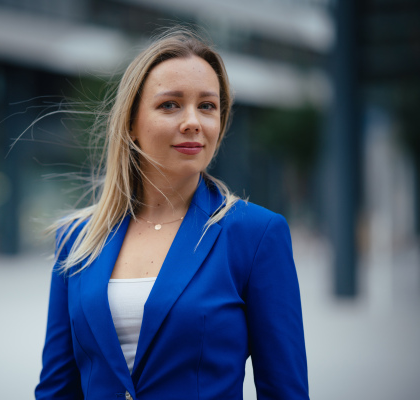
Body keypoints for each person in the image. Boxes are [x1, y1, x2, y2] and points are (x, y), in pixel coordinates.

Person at [35, 28, 309, 400]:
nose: (193, 121)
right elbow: (57, 389)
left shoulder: (256, 234)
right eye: (170, 104)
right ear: (131, 124)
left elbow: (285, 391)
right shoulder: (77, 238)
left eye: (207, 106)